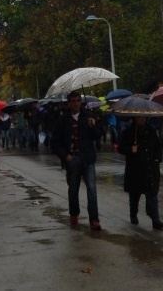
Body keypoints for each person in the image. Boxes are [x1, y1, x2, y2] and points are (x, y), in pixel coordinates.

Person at [51, 91, 104, 230]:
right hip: (72, 159)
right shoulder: (63, 120)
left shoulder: (88, 117)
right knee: (73, 189)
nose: (75, 104)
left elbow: (97, 135)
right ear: (69, 103)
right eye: (73, 101)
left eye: (77, 101)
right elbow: (55, 142)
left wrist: (93, 126)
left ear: (81, 102)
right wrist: (65, 156)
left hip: (87, 159)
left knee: (92, 189)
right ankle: (74, 213)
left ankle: (94, 219)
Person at [118, 115, 163, 230]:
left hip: (150, 167)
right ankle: (133, 214)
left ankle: (155, 218)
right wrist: (130, 149)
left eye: (144, 117)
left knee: (152, 193)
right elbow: (121, 148)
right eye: (139, 117)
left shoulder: (151, 131)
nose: (142, 119)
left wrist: (157, 158)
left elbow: (158, 147)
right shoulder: (128, 132)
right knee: (134, 194)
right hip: (135, 169)